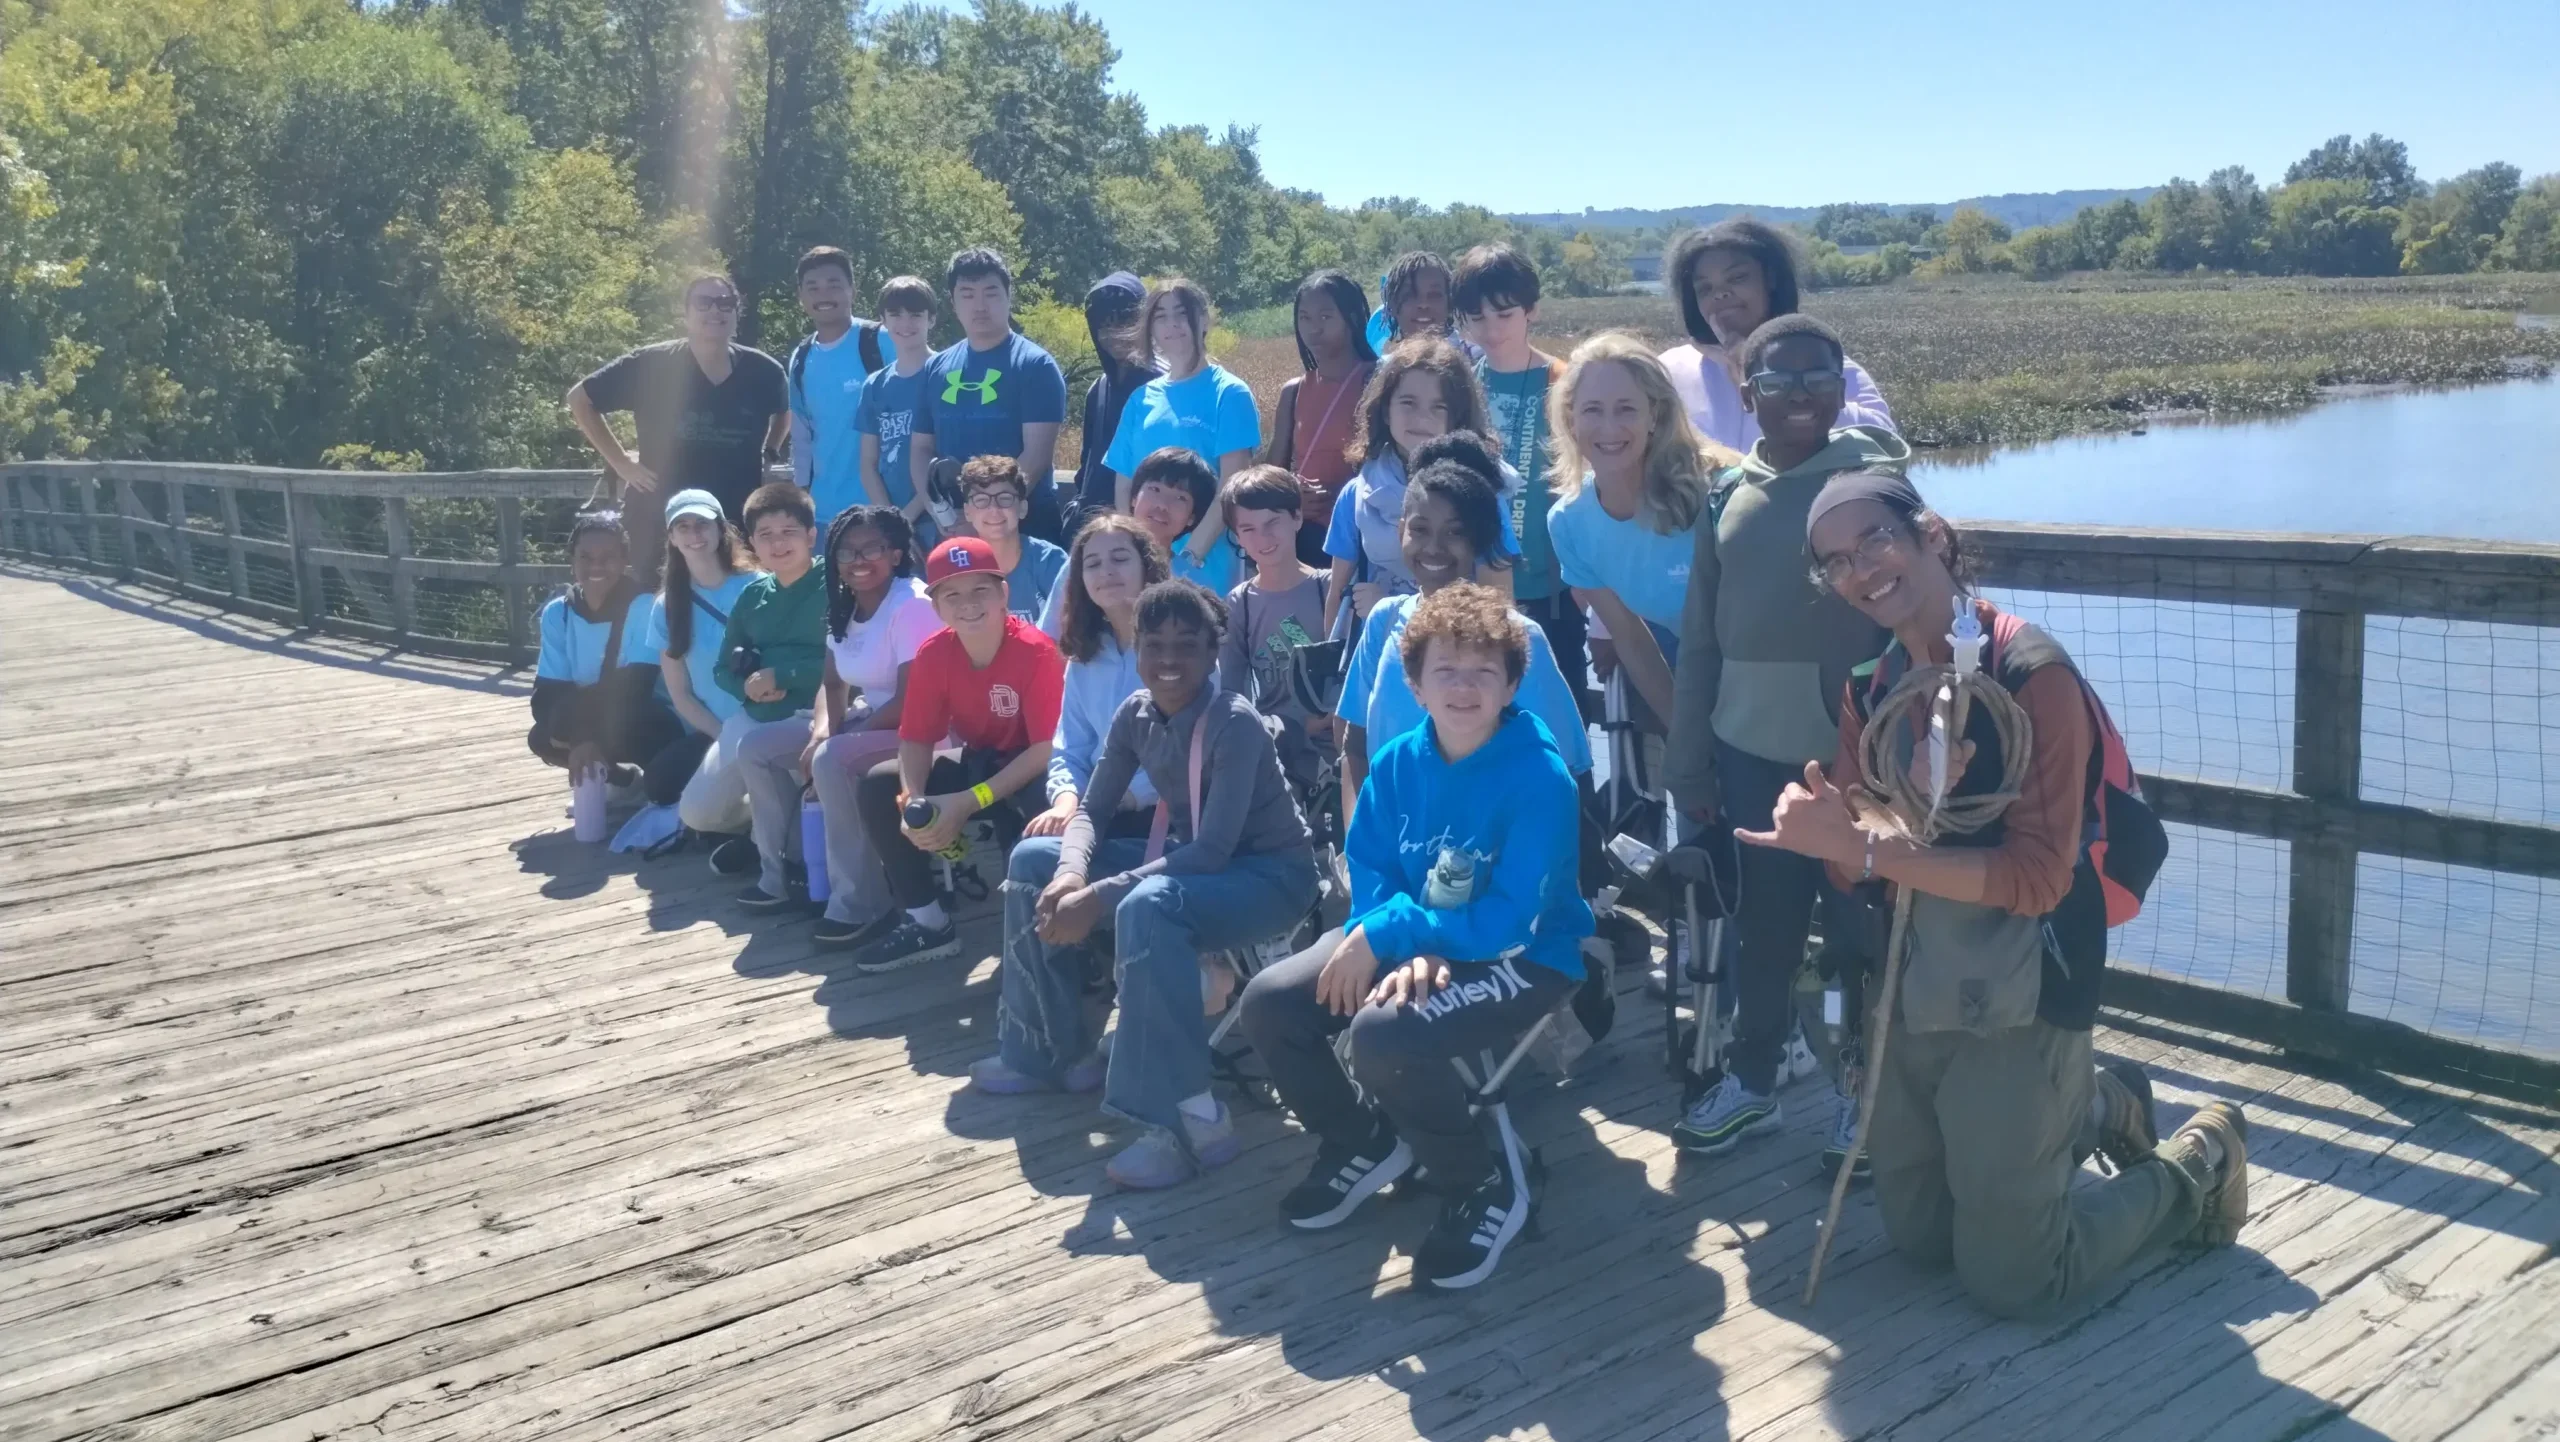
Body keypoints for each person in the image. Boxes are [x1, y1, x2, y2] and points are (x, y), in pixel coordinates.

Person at [1741, 467, 2248, 1317]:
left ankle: (2200, 1160)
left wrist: (1869, 851)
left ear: (1930, 534)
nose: (1862, 570)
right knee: (1922, 1241)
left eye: (1877, 539)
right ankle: (2092, 1101)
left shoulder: (2031, 674)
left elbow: (2038, 878)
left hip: (2026, 979)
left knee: (2015, 1278)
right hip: (1916, 976)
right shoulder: (1871, 686)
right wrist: (1831, 827)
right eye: (1836, 560)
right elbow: (1848, 860)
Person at [1238, 582, 1594, 1290]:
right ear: (1414, 681)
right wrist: (1384, 932)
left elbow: (1509, 919)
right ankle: (1361, 1141)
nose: (1464, 688)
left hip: (1527, 955)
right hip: (1411, 934)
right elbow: (1369, 864)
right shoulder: (1399, 760)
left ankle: (1484, 1182)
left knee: (1384, 1034)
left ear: (1513, 682)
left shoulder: (1540, 778)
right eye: (1446, 671)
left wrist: (1398, 933)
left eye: (1483, 672)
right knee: (1269, 1000)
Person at [971, 580, 1320, 1190]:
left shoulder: (1233, 723)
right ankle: (1049, 1048)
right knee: (1032, 858)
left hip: (1269, 877)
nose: (1167, 660)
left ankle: (1189, 1121)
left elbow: (1214, 850)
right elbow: (1093, 811)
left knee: (1147, 903)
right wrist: (1073, 872)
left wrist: (1098, 897)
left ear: (1214, 655)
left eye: (1186, 646)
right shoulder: (1134, 713)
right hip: (1196, 863)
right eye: (1153, 644)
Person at [1663, 313, 1913, 1158]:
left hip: (1858, 761)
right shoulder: (1726, 496)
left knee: (1856, 939)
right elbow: (1699, 642)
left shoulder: (1879, 486)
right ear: (1745, 391)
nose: (1800, 395)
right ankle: (1755, 1081)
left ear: (1842, 390)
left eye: (1818, 379)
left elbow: (1920, 613)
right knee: (1764, 932)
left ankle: (1862, 1091)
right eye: (1777, 381)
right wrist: (1687, 760)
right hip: (1748, 755)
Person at [1336, 434, 1590, 829]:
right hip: (1390, 869)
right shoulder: (1382, 622)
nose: (1434, 547)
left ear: (1480, 539)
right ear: (1401, 527)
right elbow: (1354, 747)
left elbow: (1562, 776)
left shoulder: (1518, 638)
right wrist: (1359, 848)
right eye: (1420, 529)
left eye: (1454, 532)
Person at [847, 536, 1066, 973]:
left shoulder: (1038, 651)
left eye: (980, 590)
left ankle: (1054, 939)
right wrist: (914, 799)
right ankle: (927, 922)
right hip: (979, 761)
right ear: (936, 606)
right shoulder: (934, 654)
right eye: (952, 594)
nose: (968, 604)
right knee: (879, 785)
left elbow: (1046, 748)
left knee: (1043, 808)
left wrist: (969, 801)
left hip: (1034, 768)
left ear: (1004, 593)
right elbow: (916, 738)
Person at [1545, 333, 1743, 731]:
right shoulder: (1568, 522)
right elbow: (1631, 639)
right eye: (1593, 410)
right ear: (1570, 418)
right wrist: (1685, 735)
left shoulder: (1722, 491)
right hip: (1693, 671)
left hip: (1770, 673)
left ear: (1654, 415)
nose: (1609, 427)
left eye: (1626, 409)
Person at [568, 272, 789, 580]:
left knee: (733, 607)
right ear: (685, 314)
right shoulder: (652, 364)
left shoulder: (764, 371)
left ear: (737, 314)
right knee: (662, 608)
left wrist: (771, 451)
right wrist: (621, 464)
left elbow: (784, 410)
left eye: (725, 303)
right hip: (659, 518)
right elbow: (579, 399)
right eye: (704, 302)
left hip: (734, 517)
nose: (715, 310)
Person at [791, 507, 942, 946]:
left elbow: (912, 699)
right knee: (762, 747)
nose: (858, 559)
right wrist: (824, 728)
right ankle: (796, 872)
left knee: (834, 760)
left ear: (895, 554)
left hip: (929, 732)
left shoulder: (911, 604)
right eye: (847, 550)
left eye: (871, 548)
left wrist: (843, 740)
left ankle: (862, 902)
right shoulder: (844, 605)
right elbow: (833, 681)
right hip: (874, 722)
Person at [1322, 338, 1521, 637]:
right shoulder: (1355, 495)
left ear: (1456, 418)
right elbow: (1337, 596)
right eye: (1408, 403)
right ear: (1386, 409)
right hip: (1374, 657)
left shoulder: (1483, 497)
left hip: (1457, 661)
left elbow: (1499, 608)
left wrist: (1392, 608)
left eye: (1438, 407)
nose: (1421, 418)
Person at [1453, 243, 1579, 711]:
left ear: (1532, 310)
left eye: (1504, 314)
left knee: (1561, 727)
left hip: (1555, 592)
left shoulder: (1564, 382)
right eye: (1476, 317)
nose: (1491, 329)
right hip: (1479, 589)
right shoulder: (1462, 384)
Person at [1659, 221, 1893, 452]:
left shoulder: (1827, 364)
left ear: (1770, 279)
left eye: (1737, 278)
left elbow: (1888, 444)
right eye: (1705, 288)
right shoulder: (1669, 371)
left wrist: (1814, 397)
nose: (1720, 293)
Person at [713, 483, 830, 910]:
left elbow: (850, 660)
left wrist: (786, 673)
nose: (778, 543)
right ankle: (778, 868)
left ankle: (777, 876)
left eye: (789, 531)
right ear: (752, 543)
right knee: (701, 807)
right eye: (766, 535)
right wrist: (745, 686)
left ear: (811, 535)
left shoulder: (835, 583)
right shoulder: (752, 595)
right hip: (762, 714)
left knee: (756, 752)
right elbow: (722, 669)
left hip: (822, 711)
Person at [908, 247, 1069, 546]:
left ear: (1009, 296)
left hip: (1025, 533)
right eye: (967, 294)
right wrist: (941, 513)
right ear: (953, 302)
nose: (979, 305)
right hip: (953, 530)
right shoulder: (935, 368)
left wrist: (985, 517)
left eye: (991, 293)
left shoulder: (1035, 365)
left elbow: (1035, 456)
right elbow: (920, 449)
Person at [1024, 514, 1168, 843]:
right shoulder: (1085, 657)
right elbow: (1070, 748)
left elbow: (1194, 751)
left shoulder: (1184, 647)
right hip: (1093, 805)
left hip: (1162, 812)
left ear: (1147, 568)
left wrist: (1109, 802)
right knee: (1030, 849)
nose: (1106, 571)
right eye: (1092, 564)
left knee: (1036, 857)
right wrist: (1066, 803)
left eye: (1120, 559)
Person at [1101, 278, 1262, 569]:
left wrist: (1189, 556)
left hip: (1206, 565)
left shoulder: (1230, 393)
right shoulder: (1141, 399)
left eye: (1181, 313)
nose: (1172, 324)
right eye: (1161, 316)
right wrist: (1133, 549)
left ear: (1203, 320)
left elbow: (1231, 487)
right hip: (1142, 563)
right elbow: (1125, 484)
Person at [646, 489, 763, 869]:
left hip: (769, 720)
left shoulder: (758, 585)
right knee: (669, 788)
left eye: (702, 524)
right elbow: (681, 696)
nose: (694, 534)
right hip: (717, 731)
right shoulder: (666, 606)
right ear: (671, 537)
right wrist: (724, 738)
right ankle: (756, 825)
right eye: (683, 526)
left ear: (720, 530)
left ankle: (767, 834)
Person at [529, 512, 678, 786]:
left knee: (634, 723)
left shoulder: (645, 607)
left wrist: (583, 733)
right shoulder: (557, 614)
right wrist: (578, 735)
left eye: (608, 557)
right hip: (595, 715)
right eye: (585, 557)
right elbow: (546, 694)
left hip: (648, 716)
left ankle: (647, 783)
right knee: (541, 736)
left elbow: (634, 688)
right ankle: (619, 782)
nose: (596, 566)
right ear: (572, 560)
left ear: (624, 561)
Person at [1262, 270, 1377, 567]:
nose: (1313, 329)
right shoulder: (1294, 391)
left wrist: (1341, 493)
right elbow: (1271, 473)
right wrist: (1293, 492)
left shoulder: (1378, 382)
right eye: (1305, 318)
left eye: (1326, 317)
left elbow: (1395, 465)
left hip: (1360, 540)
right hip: (1303, 540)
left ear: (1352, 317)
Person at [1217, 466, 1328, 731]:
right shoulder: (1238, 602)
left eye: (1272, 522)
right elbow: (1231, 692)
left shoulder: (1330, 587)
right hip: (1272, 748)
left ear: (1297, 517)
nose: (1263, 537)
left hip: (1330, 746)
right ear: (1238, 537)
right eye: (1248, 529)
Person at [784, 246, 887, 528]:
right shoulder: (801, 358)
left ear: (852, 290)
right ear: (801, 296)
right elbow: (802, 436)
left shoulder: (881, 341)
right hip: (824, 515)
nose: (823, 295)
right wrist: (801, 497)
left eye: (834, 285)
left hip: (886, 510)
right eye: (813, 288)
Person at [1070, 272, 1158, 526]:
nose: (1114, 334)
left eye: (1124, 322)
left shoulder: (1165, 387)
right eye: (1104, 325)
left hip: (1146, 526)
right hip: (1095, 527)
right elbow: (1087, 465)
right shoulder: (1098, 389)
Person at [853, 275, 938, 536]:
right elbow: (868, 463)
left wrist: (908, 517)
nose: (905, 323)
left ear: (931, 319)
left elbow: (951, 456)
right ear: (883, 320)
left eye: (915, 314)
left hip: (938, 518)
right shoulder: (874, 385)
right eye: (895, 314)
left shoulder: (948, 375)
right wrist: (891, 519)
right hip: (891, 525)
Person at [952, 455, 1067, 622]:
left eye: (1005, 499)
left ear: (1022, 508)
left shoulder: (1051, 562)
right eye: (981, 500)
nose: (994, 509)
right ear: (967, 511)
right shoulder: (955, 565)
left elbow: (1073, 632)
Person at [1117, 447, 1240, 599]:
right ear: (1134, 497)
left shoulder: (1195, 587)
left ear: (1192, 518)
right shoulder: (1103, 561)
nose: (1163, 504)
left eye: (1180, 498)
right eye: (1155, 489)